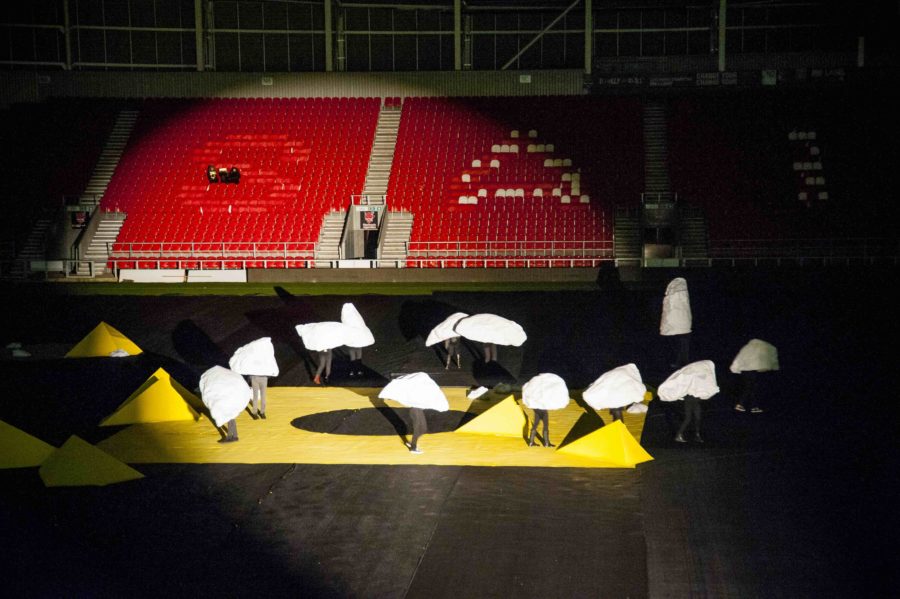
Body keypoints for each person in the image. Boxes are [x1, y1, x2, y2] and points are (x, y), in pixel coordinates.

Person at [660, 277, 692, 368]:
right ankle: (681, 363)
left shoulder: (677, 296)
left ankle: (681, 363)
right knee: (681, 346)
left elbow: (670, 311)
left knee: (681, 345)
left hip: (679, 326)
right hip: (681, 326)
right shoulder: (680, 295)